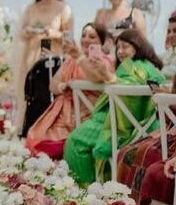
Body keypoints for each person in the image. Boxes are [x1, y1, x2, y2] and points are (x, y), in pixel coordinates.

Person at [116, 27, 176, 205]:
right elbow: (168, 116)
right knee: (125, 151)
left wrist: (172, 103)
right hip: (172, 129)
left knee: (146, 154)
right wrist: (162, 101)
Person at [63, 28, 165, 185]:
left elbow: (131, 88)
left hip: (127, 126)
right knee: (74, 141)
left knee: (75, 142)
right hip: (116, 118)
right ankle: (91, 189)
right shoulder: (134, 65)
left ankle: (87, 189)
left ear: (138, 46)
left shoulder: (140, 66)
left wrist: (108, 76)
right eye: (118, 47)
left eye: (125, 46)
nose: (120, 51)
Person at [25, 23, 114, 158]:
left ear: (101, 41)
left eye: (92, 37)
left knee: (49, 146)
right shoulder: (71, 60)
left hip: (89, 115)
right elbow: (53, 84)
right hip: (63, 113)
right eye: (83, 35)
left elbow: (96, 79)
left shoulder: (103, 61)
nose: (86, 39)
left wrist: (81, 59)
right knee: (35, 138)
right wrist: (62, 86)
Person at [12, 0, 73, 133]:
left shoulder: (63, 8)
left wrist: (51, 33)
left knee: (49, 93)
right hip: (31, 56)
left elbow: (69, 36)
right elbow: (21, 33)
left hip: (53, 58)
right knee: (32, 92)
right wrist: (30, 31)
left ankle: (51, 129)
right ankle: (30, 128)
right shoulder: (31, 9)